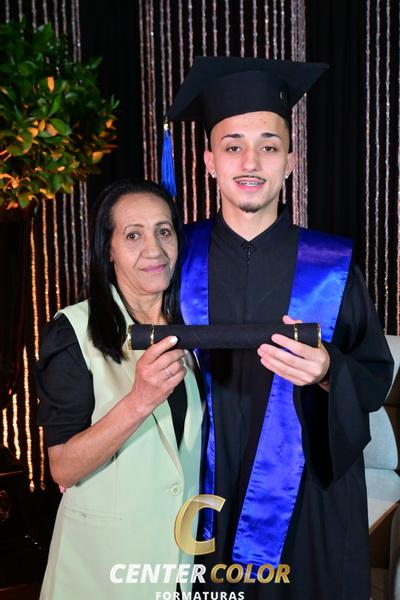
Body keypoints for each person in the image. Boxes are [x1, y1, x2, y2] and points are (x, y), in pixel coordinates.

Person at [165, 57, 394, 599]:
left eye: (269, 147)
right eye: (233, 146)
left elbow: (373, 378)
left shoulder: (331, 266)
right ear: (208, 162)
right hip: (202, 489)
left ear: (291, 161)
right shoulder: (174, 260)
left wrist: (328, 370)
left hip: (307, 499)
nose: (251, 162)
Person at [36, 180, 203, 600]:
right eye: (133, 235)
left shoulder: (194, 328)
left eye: (164, 231)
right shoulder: (73, 331)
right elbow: (63, 468)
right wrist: (138, 401)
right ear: (107, 249)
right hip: (100, 569)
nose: (154, 249)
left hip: (177, 564)